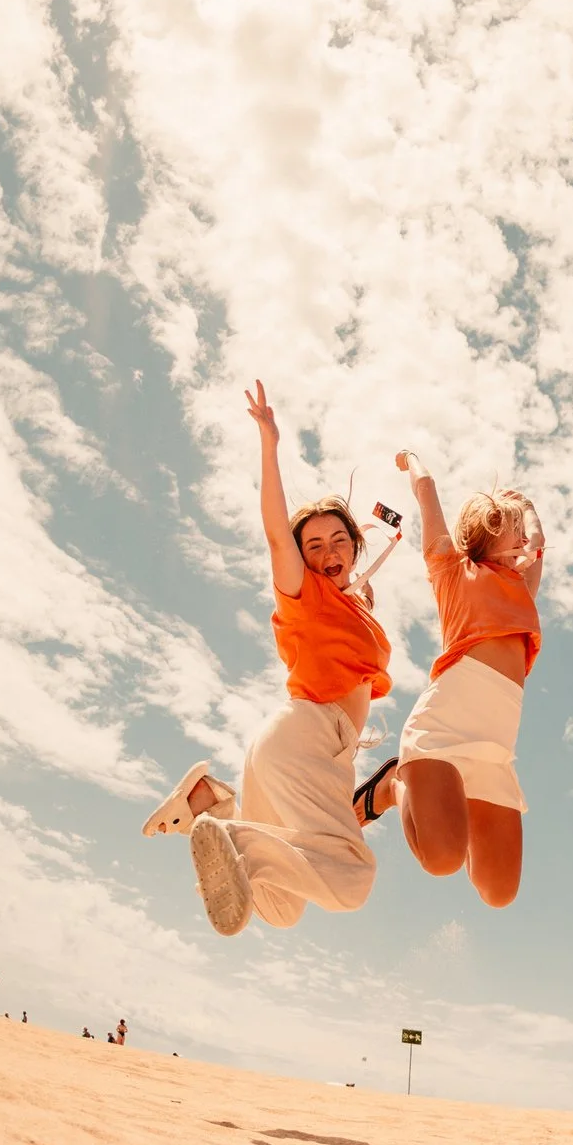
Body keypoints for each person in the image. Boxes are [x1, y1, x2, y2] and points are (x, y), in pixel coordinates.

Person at [142, 382, 395, 935]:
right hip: (306, 732)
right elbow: (278, 537)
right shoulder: (304, 593)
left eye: (337, 541)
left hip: (296, 752)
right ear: (303, 559)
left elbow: (353, 604)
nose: (326, 553)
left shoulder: (357, 608)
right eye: (315, 546)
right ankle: (231, 831)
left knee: (281, 907)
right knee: (350, 880)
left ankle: (211, 807)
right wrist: (269, 441)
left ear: (354, 544)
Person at [352, 453, 545, 908]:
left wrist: (527, 506)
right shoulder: (454, 573)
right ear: (487, 532)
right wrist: (414, 465)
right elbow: (428, 495)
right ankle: (394, 783)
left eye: (523, 532)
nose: (523, 540)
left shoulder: (522, 589)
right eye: (512, 528)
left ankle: (448, 801)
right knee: (441, 860)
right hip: (444, 728)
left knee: (499, 892)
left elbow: (538, 537)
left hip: (494, 751)